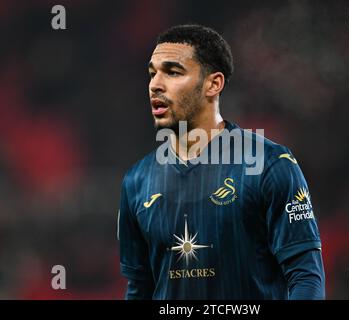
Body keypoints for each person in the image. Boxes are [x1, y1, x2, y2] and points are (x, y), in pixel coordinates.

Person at [118, 24, 325, 299]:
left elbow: (306, 277)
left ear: (213, 84)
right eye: (152, 73)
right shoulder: (136, 181)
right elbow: (139, 288)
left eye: (173, 72)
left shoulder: (271, 165)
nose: (155, 84)